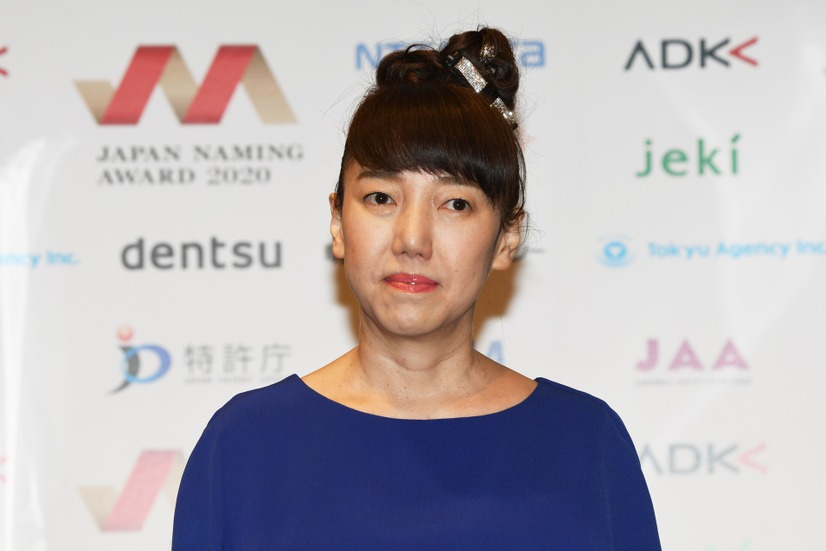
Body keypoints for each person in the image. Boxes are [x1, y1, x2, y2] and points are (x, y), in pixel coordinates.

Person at [172, 27, 661, 550]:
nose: (412, 240)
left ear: (506, 237)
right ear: (338, 221)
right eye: (381, 198)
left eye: (455, 204)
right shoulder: (247, 444)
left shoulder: (585, 444)